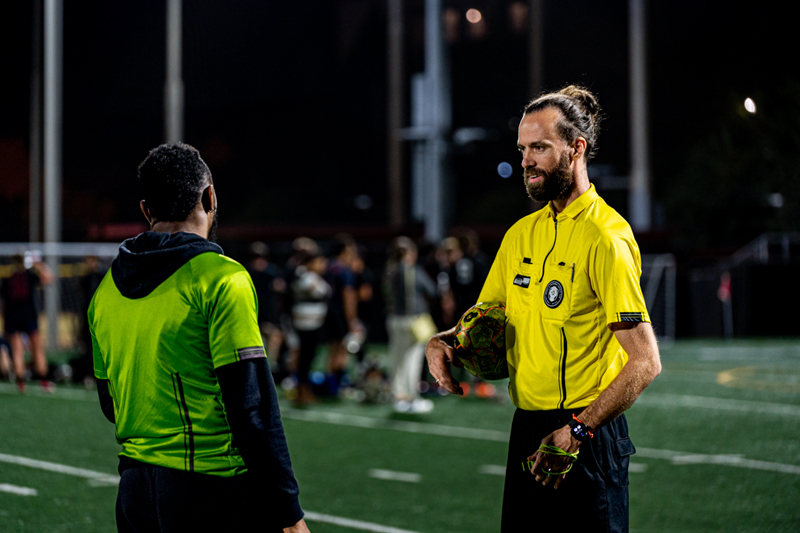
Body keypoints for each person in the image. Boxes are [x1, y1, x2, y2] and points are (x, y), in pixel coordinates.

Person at [425, 86, 662, 532]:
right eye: (522, 149)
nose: (526, 161)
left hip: (587, 436)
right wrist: (445, 341)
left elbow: (645, 362)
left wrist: (579, 430)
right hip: (526, 431)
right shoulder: (519, 236)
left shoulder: (605, 238)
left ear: (576, 149)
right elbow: (484, 317)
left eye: (539, 148)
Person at [88, 143, 309, 533]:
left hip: (134, 493)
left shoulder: (105, 291)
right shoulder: (222, 278)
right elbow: (252, 407)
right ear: (210, 197)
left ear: (145, 210)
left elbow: (112, 404)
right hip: (209, 491)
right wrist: (288, 513)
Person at [383, 237, 437, 414]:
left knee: (397, 359)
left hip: (394, 319)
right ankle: (411, 397)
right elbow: (431, 289)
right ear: (408, 253)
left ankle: (398, 396)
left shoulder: (390, 270)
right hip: (413, 320)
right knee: (413, 360)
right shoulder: (413, 271)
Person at [0, 252, 54, 393]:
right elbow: (49, 278)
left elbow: (4, 304)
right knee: (37, 349)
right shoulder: (30, 276)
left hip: (12, 318)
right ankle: (44, 381)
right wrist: (39, 264)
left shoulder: (8, 280)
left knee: (17, 351)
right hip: (29, 317)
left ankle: (21, 385)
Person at [290, 250, 331, 405]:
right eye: (318, 262)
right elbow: (323, 291)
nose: (322, 265)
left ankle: (302, 388)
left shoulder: (308, 276)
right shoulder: (307, 277)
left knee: (308, 357)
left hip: (312, 323)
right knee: (306, 357)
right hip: (307, 324)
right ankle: (302, 389)